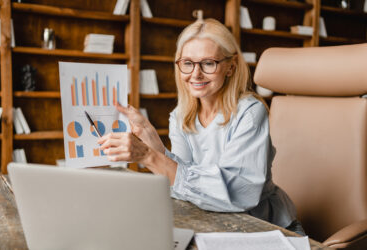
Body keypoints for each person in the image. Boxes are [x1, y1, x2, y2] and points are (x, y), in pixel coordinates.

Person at [98, 18, 305, 235]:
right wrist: (151, 141)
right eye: (187, 63)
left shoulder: (250, 112)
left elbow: (239, 194)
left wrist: (149, 157)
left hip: (267, 229)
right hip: (216, 225)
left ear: (230, 67)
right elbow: (183, 184)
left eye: (208, 63)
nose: (195, 74)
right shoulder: (180, 116)